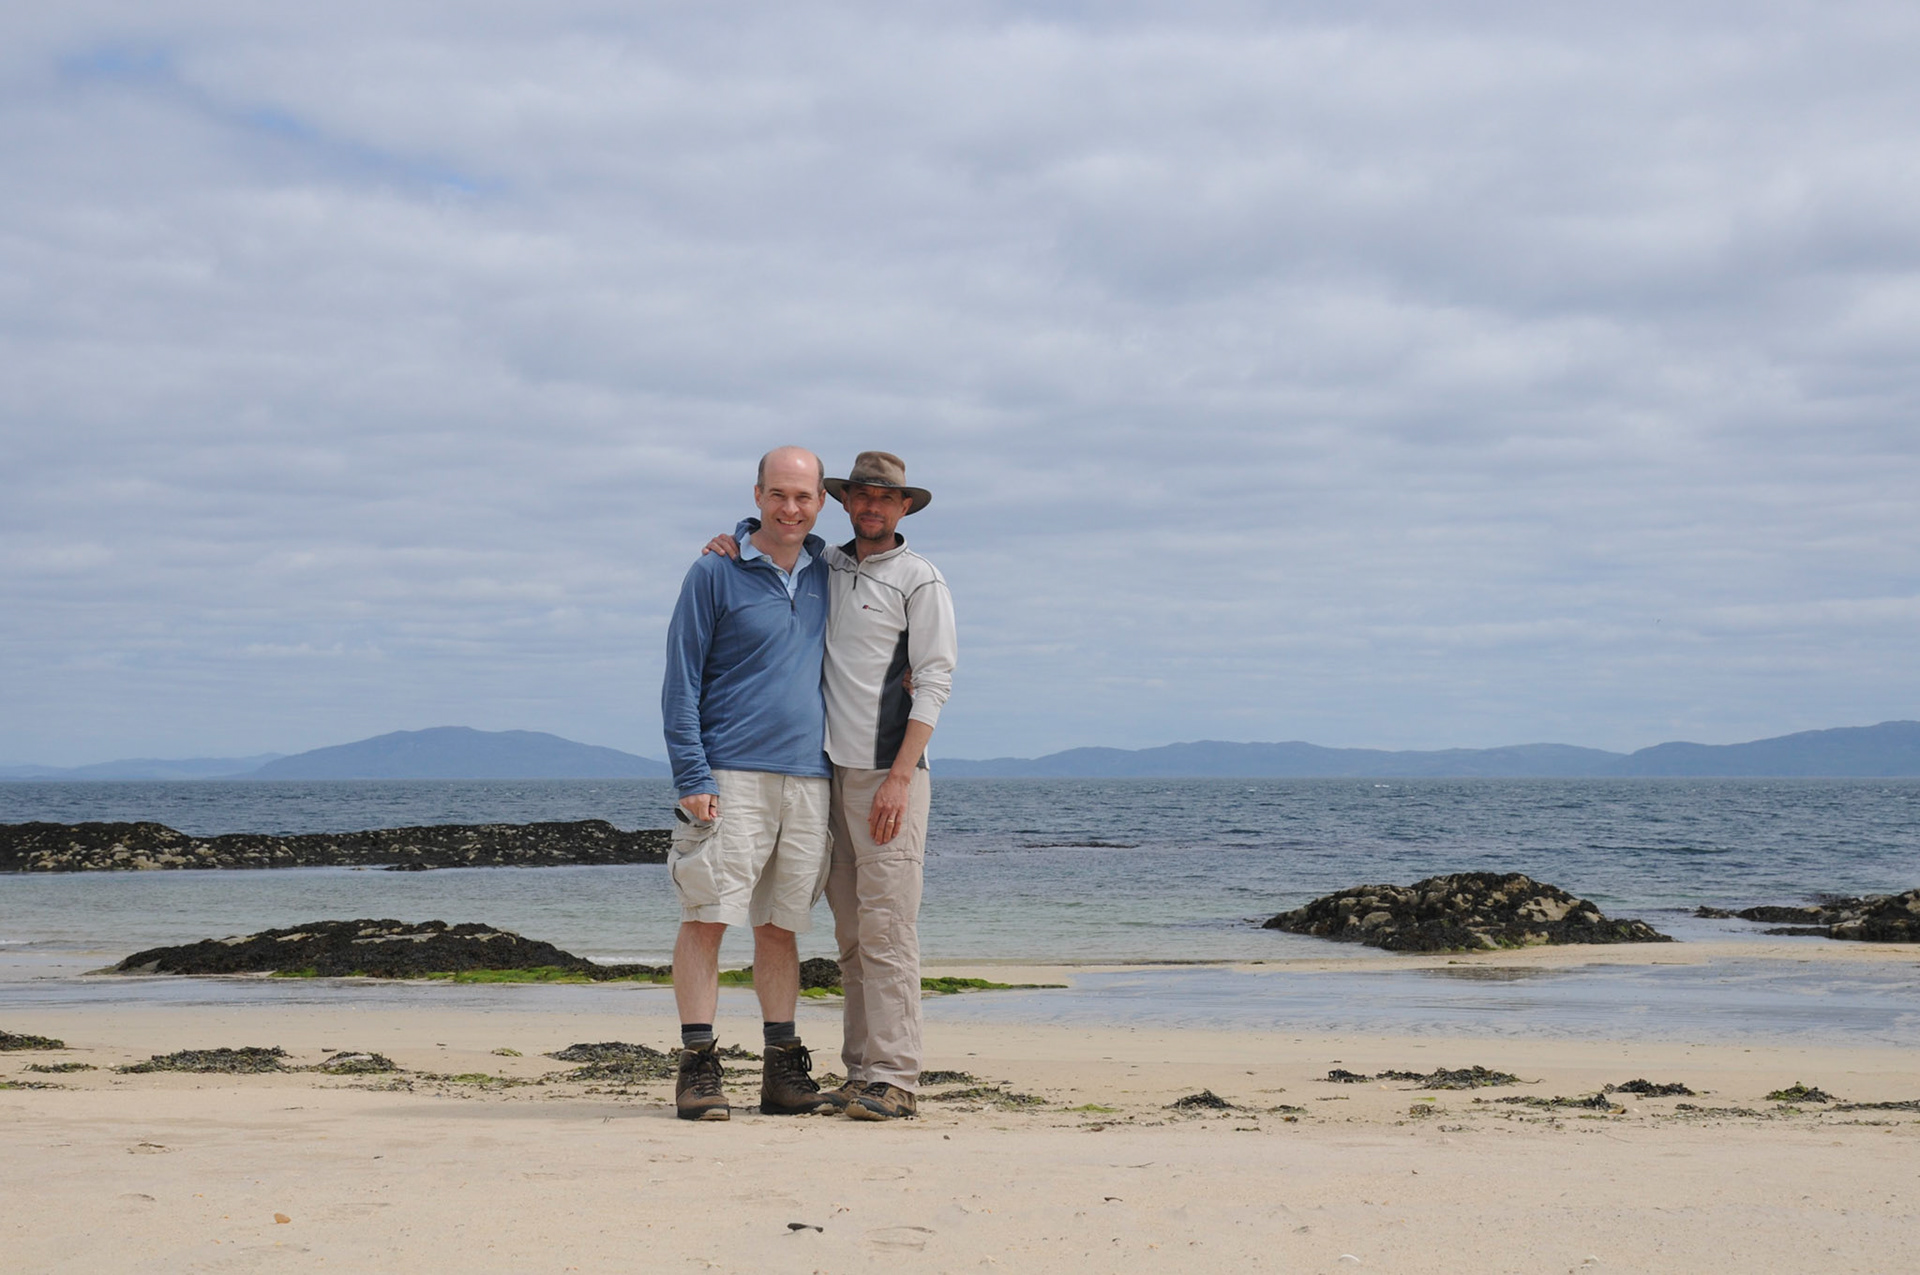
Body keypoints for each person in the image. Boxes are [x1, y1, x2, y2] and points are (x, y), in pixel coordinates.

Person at [707, 451, 956, 1121]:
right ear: (846, 502)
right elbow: (773, 547)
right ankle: (859, 1073)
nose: (874, 506)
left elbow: (934, 680)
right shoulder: (827, 566)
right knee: (850, 933)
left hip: (888, 774)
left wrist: (901, 776)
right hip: (826, 773)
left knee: (889, 929)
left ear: (905, 507)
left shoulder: (921, 579)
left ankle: (896, 1076)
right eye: (863, 495)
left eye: (887, 497)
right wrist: (728, 541)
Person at [659, 446, 840, 1122]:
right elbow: (680, 680)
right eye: (779, 494)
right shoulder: (714, 570)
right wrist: (691, 773)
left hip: (810, 777)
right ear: (758, 493)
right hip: (728, 774)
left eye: (803, 496)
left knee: (780, 926)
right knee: (706, 918)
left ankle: (781, 1071)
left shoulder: (833, 572)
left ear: (821, 501)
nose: (790, 508)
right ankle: (698, 1068)